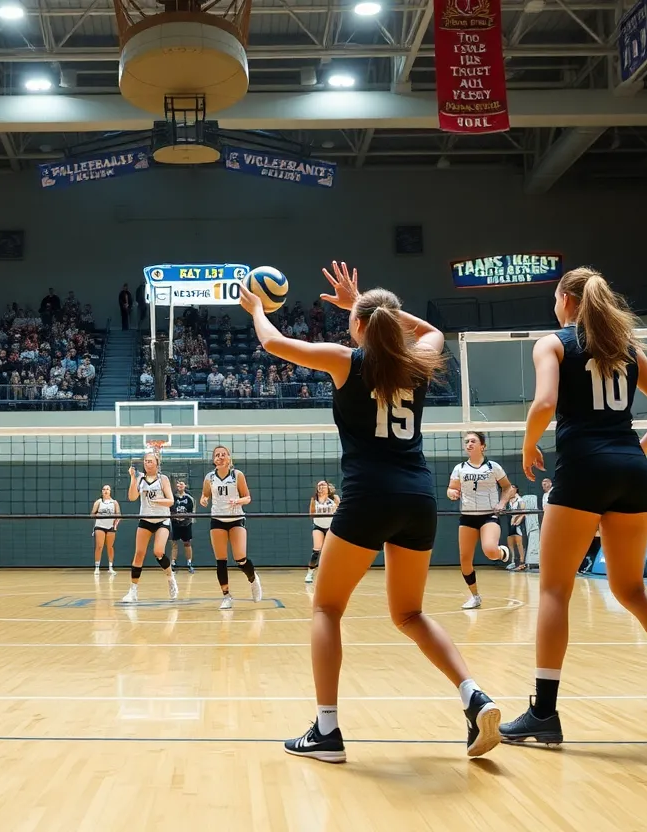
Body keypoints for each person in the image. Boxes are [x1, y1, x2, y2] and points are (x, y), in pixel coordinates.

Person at [243, 260, 500, 763]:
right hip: (419, 497)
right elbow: (433, 331)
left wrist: (255, 307)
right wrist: (364, 302)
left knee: (326, 606)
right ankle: (474, 696)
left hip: (368, 495)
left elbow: (273, 344)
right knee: (410, 613)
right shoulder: (418, 361)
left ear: (358, 327)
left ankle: (327, 731)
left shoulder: (347, 361)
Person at [500, 266, 647, 745]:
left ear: (565, 299)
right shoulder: (626, 348)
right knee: (633, 590)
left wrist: (527, 445)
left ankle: (544, 712)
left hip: (583, 467)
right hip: (632, 473)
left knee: (554, 591)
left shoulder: (554, 343)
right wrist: (635, 450)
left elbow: (544, 403)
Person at [447, 432, 514, 609]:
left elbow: (508, 488)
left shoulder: (493, 467)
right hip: (467, 517)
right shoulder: (459, 468)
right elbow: (451, 488)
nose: (469, 444)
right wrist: (452, 493)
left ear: (482, 446)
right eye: (466, 441)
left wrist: (502, 502)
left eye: (473, 441)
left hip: (488, 516)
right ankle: (475, 596)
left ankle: (502, 553)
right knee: (465, 560)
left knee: (490, 551)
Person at [200, 445, 261, 609]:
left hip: (236, 518)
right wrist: (204, 499)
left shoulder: (237, 475)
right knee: (221, 560)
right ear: (214, 460)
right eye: (217, 455)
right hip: (217, 519)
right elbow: (205, 494)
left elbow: (247, 497)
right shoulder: (209, 477)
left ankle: (253, 579)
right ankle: (226, 596)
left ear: (229, 458)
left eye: (223, 454)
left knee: (240, 558)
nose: (220, 457)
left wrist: (238, 501)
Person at [121, 450, 179, 603]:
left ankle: (170, 578)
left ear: (157, 463)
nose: (147, 463)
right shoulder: (140, 478)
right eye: (146, 461)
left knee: (158, 551)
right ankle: (133, 591)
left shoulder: (163, 479)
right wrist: (133, 478)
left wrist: (159, 500)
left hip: (162, 520)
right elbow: (132, 497)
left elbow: (171, 501)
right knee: (139, 553)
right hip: (145, 519)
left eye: (151, 461)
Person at [307, 481, 338, 584]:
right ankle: (310, 573)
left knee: (331, 552)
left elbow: (341, 511)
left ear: (328, 488)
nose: (321, 487)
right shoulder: (314, 499)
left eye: (323, 485)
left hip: (331, 527)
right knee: (316, 550)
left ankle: (332, 574)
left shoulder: (335, 498)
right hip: (318, 526)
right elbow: (311, 514)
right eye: (319, 486)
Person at [91, 485, 119, 574]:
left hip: (110, 526)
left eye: (107, 489)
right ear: (102, 491)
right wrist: (96, 515)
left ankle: (110, 567)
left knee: (110, 547)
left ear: (110, 491)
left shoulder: (114, 502)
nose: (106, 491)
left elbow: (119, 515)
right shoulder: (98, 502)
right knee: (99, 546)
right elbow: (92, 514)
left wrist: (116, 523)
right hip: (100, 526)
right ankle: (97, 567)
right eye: (104, 489)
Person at [170, 479, 196, 574]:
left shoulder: (189, 498)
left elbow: (192, 512)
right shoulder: (172, 497)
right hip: (175, 523)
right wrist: (175, 519)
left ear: (185, 485)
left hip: (186, 524)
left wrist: (186, 521)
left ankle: (189, 563)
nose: (179, 485)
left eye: (181, 483)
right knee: (174, 543)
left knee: (187, 543)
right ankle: (173, 563)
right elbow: (170, 510)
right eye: (177, 483)